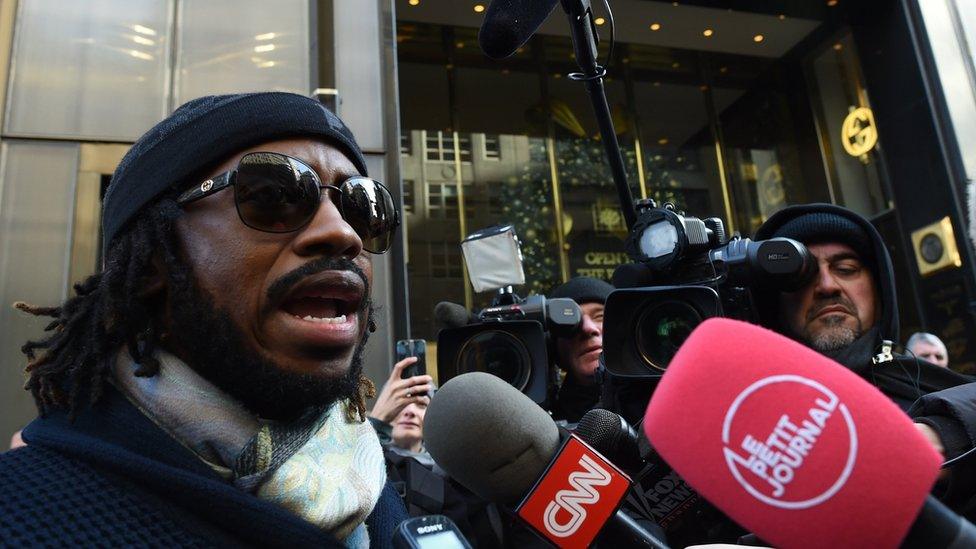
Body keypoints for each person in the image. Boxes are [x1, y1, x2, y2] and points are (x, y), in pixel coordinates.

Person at [0, 92, 407, 547]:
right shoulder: (23, 519)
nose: (342, 233)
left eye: (360, 206)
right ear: (157, 257)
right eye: (274, 195)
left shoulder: (382, 498)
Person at [754, 203, 976, 518]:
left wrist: (946, 436)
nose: (827, 286)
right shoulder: (746, 424)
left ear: (878, 287)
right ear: (775, 304)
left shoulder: (925, 387)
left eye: (846, 269)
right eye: (800, 278)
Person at [549, 276, 613, 423]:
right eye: (571, 322)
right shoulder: (544, 423)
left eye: (600, 316)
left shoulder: (660, 400)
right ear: (555, 347)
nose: (588, 328)